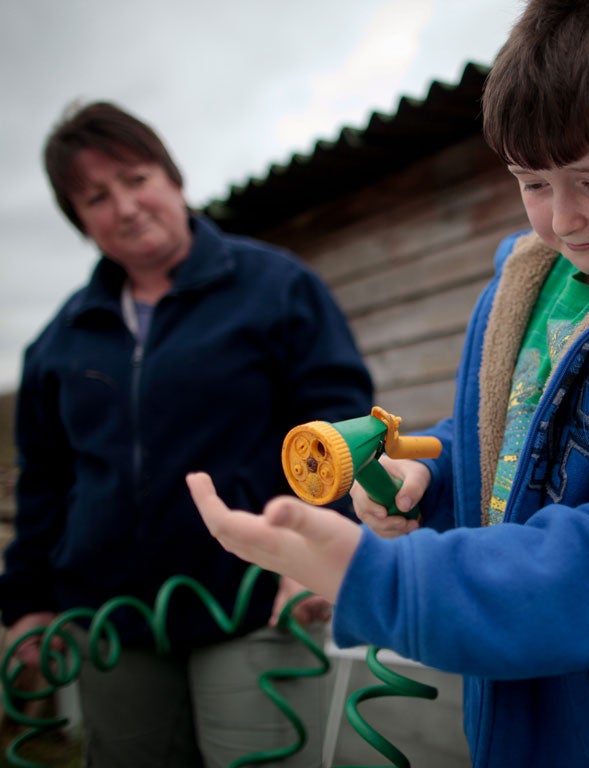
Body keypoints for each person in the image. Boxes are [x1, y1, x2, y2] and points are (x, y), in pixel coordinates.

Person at [188, 0, 589, 765]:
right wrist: (428, 481)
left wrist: (387, 581)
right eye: (532, 183)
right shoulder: (527, 294)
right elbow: (515, 459)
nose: (562, 219)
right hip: (528, 724)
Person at [0, 101, 374, 767]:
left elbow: (337, 426)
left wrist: (320, 552)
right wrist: (25, 605)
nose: (125, 206)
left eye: (137, 178)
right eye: (95, 197)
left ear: (173, 180)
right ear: (80, 222)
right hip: (111, 620)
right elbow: (46, 482)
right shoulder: (58, 343)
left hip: (255, 597)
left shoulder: (277, 288)